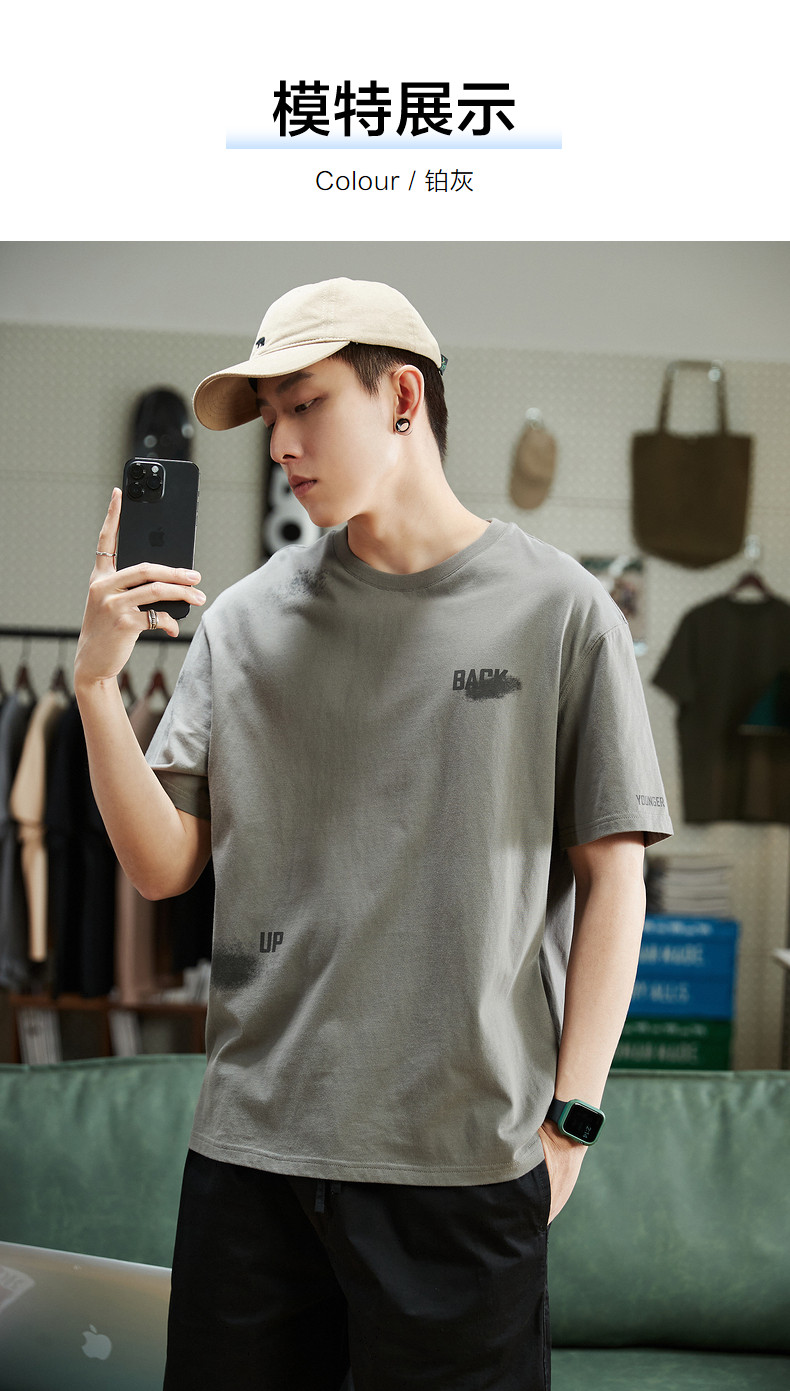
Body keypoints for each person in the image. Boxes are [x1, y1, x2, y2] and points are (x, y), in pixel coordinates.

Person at [75, 277, 673, 1391]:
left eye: (305, 405)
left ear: (403, 397)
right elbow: (162, 866)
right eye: (271, 417)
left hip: (464, 1170)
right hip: (251, 1166)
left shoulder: (562, 611)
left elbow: (616, 881)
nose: (281, 445)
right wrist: (99, 690)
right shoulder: (243, 621)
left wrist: (570, 1125)